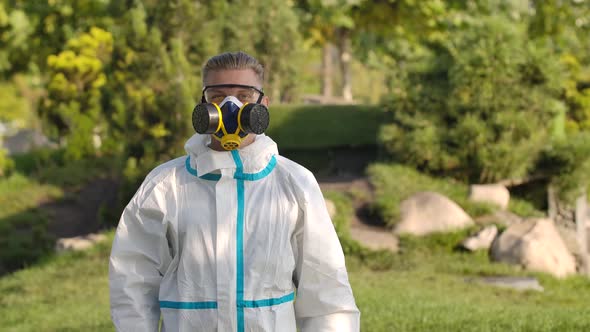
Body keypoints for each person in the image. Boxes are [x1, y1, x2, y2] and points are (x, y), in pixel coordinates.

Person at [109, 51, 360, 332]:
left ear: (263, 104)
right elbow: (132, 281)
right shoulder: (165, 186)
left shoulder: (294, 184)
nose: (231, 106)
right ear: (203, 105)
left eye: (244, 95)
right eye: (218, 97)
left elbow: (327, 291)